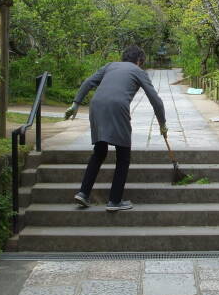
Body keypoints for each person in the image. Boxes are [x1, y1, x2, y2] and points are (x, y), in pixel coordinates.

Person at [64, 45, 167, 211]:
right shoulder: (138, 71)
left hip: (96, 106)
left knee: (99, 151)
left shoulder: (110, 66)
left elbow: (88, 82)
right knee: (123, 155)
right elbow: (155, 99)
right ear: (140, 61)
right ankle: (114, 201)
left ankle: (83, 193)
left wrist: (75, 104)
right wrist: (163, 124)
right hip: (117, 107)